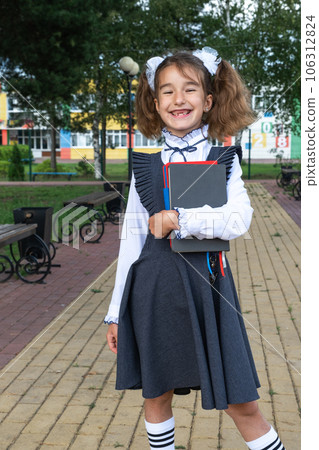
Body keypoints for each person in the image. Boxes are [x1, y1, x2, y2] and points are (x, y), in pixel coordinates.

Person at [105, 47, 285, 450]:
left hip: (209, 289)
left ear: (207, 100)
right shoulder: (144, 162)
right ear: (155, 102)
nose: (178, 99)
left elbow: (238, 220)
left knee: (241, 402)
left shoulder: (222, 157)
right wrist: (115, 311)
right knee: (157, 394)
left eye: (189, 90)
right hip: (153, 288)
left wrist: (178, 218)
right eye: (167, 92)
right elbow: (132, 239)